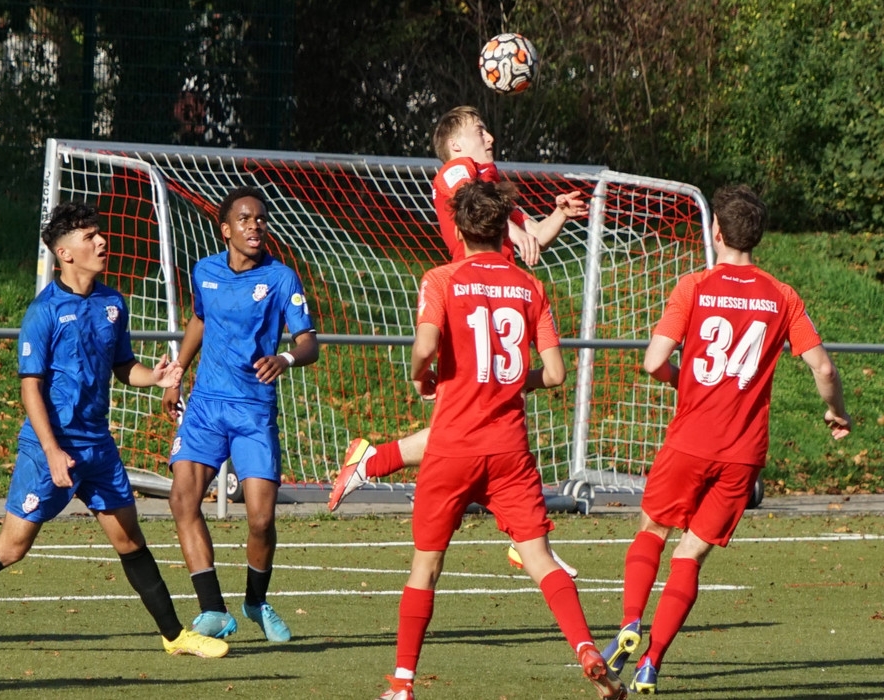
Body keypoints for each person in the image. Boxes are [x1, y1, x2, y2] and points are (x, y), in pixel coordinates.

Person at [0, 202, 227, 658]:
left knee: (129, 539)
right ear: (64, 253)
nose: (102, 242)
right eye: (89, 237)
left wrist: (155, 377)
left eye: (100, 233)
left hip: (97, 446)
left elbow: (124, 367)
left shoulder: (113, 303)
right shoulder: (43, 312)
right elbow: (30, 389)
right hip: (50, 447)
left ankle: (175, 637)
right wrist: (51, 450)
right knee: (13, 546)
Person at [374, 178, 626, 700]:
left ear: (459, 227)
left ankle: (402, 684)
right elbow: (555, 374)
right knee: (540, 558)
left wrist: (421, 375)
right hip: (509, 450)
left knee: (426, 567)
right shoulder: (529, 286)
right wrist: (516, 381)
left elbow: (425, 346)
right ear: (503, 229)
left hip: (452, 446)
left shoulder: (441, 278)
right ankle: (585, 648)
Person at [600, 184, 851, 694]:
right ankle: (652, 662)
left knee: (652, 529)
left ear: (716, 231)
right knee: (691, 554)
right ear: (758, 236)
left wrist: (684, 380)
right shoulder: (782, 295)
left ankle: (630, 622)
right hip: (742, 454)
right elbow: (823, 368)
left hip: (689, 440)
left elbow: (653, 361)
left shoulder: (694, 285)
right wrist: (836, 412)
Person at [329, 106, 587, 522]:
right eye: (480, 131)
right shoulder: (457, 171)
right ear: (455, 144)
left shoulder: (489, 184)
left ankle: (374, 461)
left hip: (499, 293)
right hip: (471, 295)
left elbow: (535, 236)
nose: (490, 139)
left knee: (474, 422)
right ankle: (522, 527)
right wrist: (509, 226)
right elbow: (472, 201)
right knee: (478, 423)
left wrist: (558, 214)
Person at [162, 185, 318, 645]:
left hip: (253, 410)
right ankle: (212, 608)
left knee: (261, 520)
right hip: (206, 406)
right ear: (226, 229)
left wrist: (285, 358)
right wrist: (176, 374)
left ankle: (255, 601)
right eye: (245, 219)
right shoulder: (204, 271)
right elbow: (200, 319)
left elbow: (308, 342)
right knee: (182, 500)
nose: (255, 226)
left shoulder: (281, 278)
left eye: (261, 219)